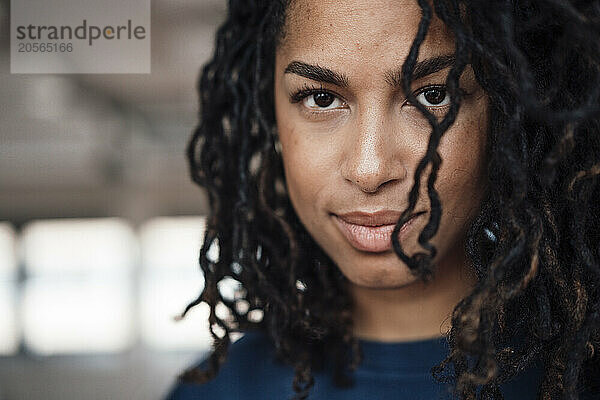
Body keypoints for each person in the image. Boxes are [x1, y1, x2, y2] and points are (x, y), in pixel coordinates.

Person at [166, 0, 600, 398]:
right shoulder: (217, 390)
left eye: (433, 95)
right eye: (321, 98)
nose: (369, 169)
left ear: (508, 112)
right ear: (269, 112)